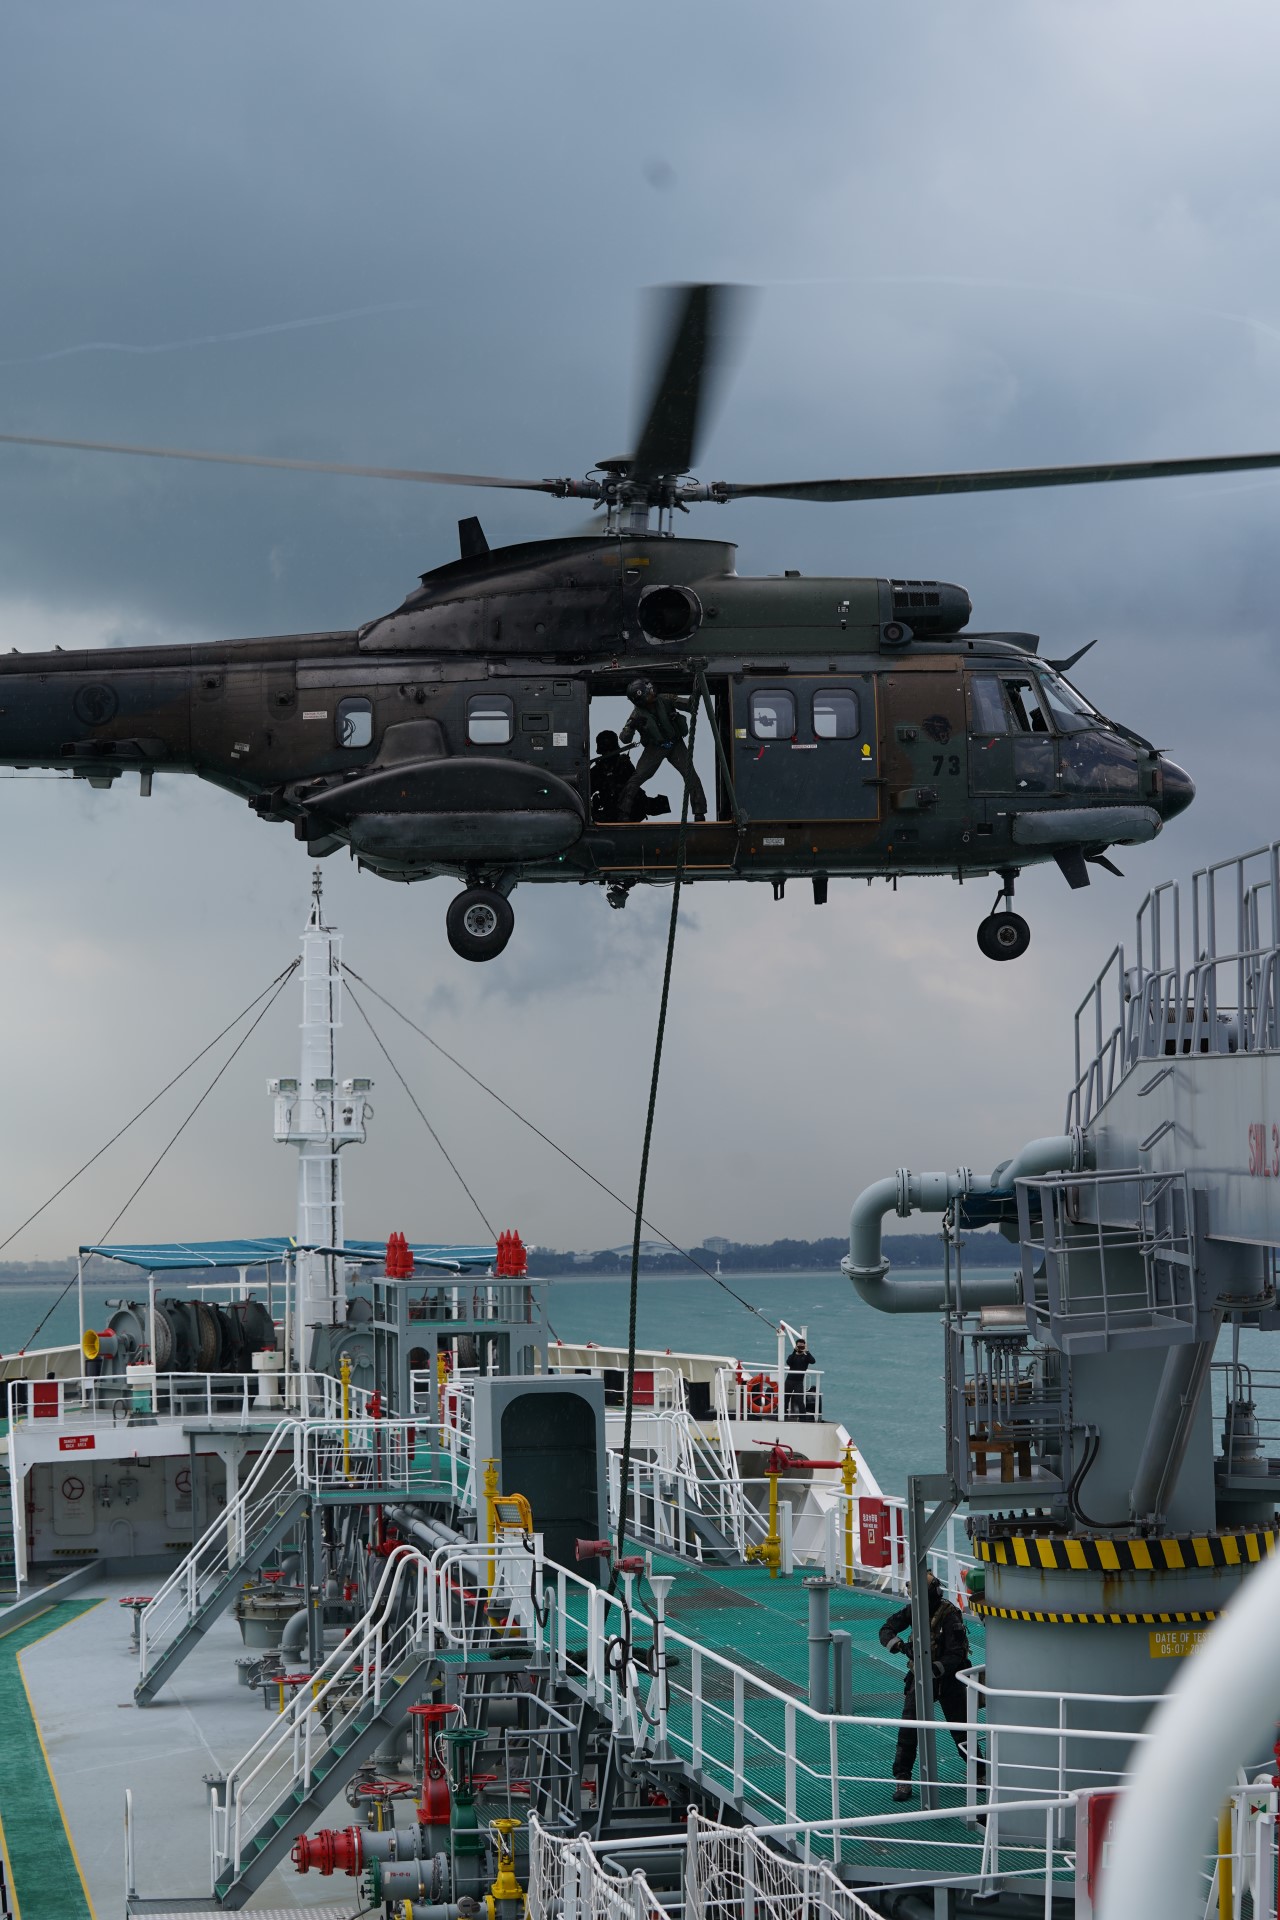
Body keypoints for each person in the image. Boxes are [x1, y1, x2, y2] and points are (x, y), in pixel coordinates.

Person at [879, 1572, 982, 1801]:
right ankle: (903, 1779)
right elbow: (885, 1630)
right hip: (920, 1678)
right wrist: (901, 1647)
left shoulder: (950, 1615)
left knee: (962, 1731)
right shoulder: (913, 1611)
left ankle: (979, 1773)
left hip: (948, 1680)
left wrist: (933, 1668)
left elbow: (956, 1654)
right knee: (908, 1732)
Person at [618, 679, 708, 823]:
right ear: (641, 700)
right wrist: (633, 726)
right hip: (655, 747)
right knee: (637, 778)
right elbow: (624, 738)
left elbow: (690, 705)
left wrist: (696, 692)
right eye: (648, 693)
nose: (652, 693)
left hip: (675, 744)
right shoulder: (636, 714)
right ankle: (623, 813)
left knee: (690, 775)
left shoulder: (665, 699)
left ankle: (699, 812)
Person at [589, 729, 634, 821]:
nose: (607, 754)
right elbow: (587, 791)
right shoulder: (597, 770)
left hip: (629, 810)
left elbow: (633, 788)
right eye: (606, 751)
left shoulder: (623, 764)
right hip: (610, 812)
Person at [784, 1337, 815, 1420]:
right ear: (796, 1346)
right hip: (789, 1380)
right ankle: (784, 1415)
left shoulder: (806, 1357)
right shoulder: (792, 1356)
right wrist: (794, 1351)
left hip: (799, 1382)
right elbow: (788, 1362)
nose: (801, 1348)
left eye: (802, 1346)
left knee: (799, 1400)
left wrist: (807, 1351)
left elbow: (813, 1361)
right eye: (799, 1346)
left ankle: (803, 1417)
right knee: (785, 1398)